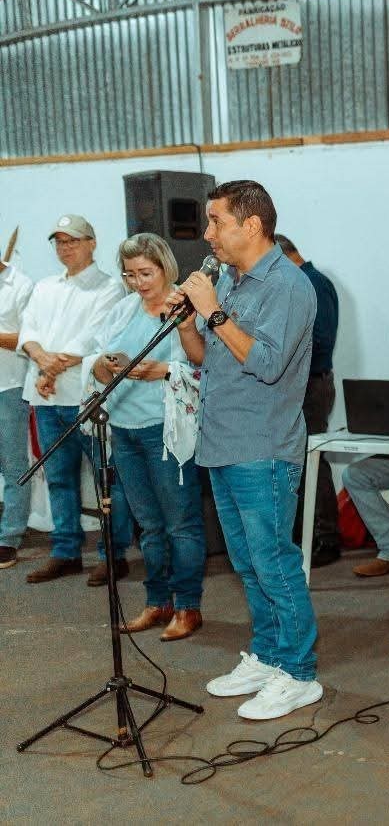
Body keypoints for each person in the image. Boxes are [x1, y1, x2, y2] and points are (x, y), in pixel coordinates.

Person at [169, 180, 322, 721]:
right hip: (222, 441)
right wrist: (188, 321)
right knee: (248, 565)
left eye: (216, 221)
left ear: (251, 225)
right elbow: (206, 358)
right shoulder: (230, 281)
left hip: (264, 446)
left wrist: (213, 312)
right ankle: (268, 655)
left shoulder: (288, 286)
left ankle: (299, 673)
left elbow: (268, 364)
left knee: (274, 562)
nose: (207, 234)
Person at [90, 233, 205, 640]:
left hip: (165, 430)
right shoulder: (123, 310)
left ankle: (188, 606)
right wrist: (105, 365)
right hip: (124, 429)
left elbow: (207, 367)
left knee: (181, 524)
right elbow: (96, 361)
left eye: (145, 273)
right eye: (129, 274)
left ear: (165, 267)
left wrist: (164, 371)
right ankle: (158, 601)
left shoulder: (186, 307)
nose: (137, 282)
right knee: (149, 526)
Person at [19, 214, 134, 585]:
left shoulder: (109, 288)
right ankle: (66, 551)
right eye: (60, 242)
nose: (65, 248)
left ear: (92, 242)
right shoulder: (44, 286)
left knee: (106, 478)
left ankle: (113, 554)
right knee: (58, 478)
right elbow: (28, 331)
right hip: (46, 396)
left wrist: (50, 368)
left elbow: (94, 338)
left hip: (85, 397)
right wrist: (42, 361)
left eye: (73, 240)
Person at [276, 233, 343, 568]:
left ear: (283, 256)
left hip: (312, 384)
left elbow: (321, 339)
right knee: (299, 461)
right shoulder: (303, 282)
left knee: (313, 458)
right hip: (299, 383)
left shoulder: (314, 283)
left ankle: (326, 537)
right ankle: (305, 536)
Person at [0, 251, 33, 569]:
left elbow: (28, 338)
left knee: (13, 466)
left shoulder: (20, 285)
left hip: (9, 387)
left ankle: (9, 538)